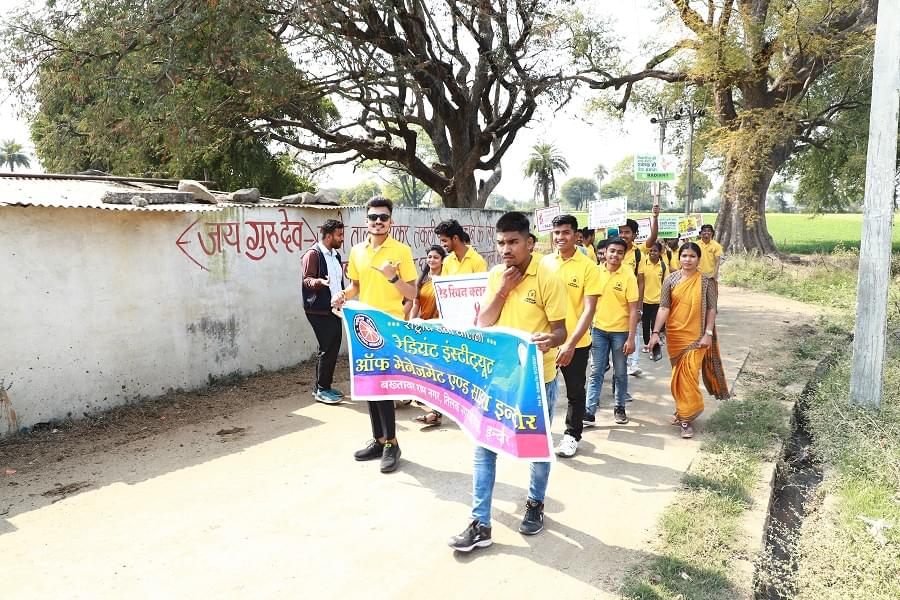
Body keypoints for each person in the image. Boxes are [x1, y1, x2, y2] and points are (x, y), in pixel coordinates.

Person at [448, 211, 567, 552]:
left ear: (529, 242)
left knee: (536, 446)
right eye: (501, 243)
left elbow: (560, 330)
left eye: (513, 242)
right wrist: (502, 290)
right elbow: (484, 322)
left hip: (536, 379)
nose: (506, 249)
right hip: (499, 378)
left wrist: (550, 340)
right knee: (484, 446)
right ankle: (480, 522)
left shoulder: (548, 276)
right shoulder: (496, 275)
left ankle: (535, 502)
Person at [332, 197, 417, 473]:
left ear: (391, 221)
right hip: (363, 327)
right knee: (369, 384)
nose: (378, 221)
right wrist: (343, 295)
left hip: (389, 327)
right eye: (373, 217)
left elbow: (413, 293)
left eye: (383, 217)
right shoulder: (357, 251)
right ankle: (379, 440)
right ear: (366, 221)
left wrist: (393, 277)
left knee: (385, 386)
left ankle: (393, 443)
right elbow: (356, 285)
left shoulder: (401, 251)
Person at [647, 242, 729, 439]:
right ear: (679, 257)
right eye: (684, 255)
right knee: (678, 377)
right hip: (675, 336)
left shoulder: (707, 281)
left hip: (697, 336)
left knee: (688, 377)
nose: (688, 259)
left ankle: (686, 419)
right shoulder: (670, 280)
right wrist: (656, 332)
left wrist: (708, 333)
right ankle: (682, 410)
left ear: (698, 259)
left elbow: (711, 309)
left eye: (692, 256)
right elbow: (664, 308)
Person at [542, 215, 600, 458]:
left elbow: (589, 309)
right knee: (541, 390)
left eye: (565, 232)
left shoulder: (588, 266)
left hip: (576, 343)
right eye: (556, 232)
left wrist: (571, 343)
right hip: (547, 340)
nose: (560, 237)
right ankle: (539, 435)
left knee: (575, 391)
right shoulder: (544, 263)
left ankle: (571, 436)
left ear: (576, 235)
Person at [583, 238, 639, 427]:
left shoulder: (628, 276)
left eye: (619, 252)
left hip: (621, 333)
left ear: (624, 255)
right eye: (612, 251)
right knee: (596, 371)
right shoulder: (595, 273)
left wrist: (631, 338)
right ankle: (589, 411)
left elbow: (633, 310)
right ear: (605, 252)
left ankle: (619, 408)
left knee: (621, 372)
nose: (615, 255)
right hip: (598, 330)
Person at [301, 219, 346, 405]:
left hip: (334, 309)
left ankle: (324, 386)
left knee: (333, 345)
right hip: (318, 310)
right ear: (328, 236)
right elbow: (307, 280)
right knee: (327, 346)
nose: (342, 239)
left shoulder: (335, 255)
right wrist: (320, 282)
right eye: (339, 235)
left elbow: (338, 281)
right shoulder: (313, 254)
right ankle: (321, 389)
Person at [618, 205, 660, 377]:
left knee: (632, 331)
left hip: (631, 301)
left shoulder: (639, 253)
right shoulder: (612, 249)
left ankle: (633, 364)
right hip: (612, 301)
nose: (623, 235)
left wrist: (639, 306)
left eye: (627, 232)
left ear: (634, 235)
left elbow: (641, 282)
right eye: (621, 231)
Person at [411, 245, 447, 427]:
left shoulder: (447, 280)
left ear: (442, 260)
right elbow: (416, 304)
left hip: (441, 331)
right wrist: (409, 324)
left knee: (438, 372)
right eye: (429, 257)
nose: (432, 260)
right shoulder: (422, 280)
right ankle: (433, 411)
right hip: (424, 330)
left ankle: (436, 413)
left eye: (436, 257)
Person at [639, 242, 667, 351]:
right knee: (645, 325)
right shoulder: (643, 263)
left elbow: (666, 284)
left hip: (657, 302)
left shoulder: (663, 266)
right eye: (650, 250)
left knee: (655, 326)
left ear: (660, 252)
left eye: (655, 251)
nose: (652, 253)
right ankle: (647, 345)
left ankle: (654, 347)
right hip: (645, 301)